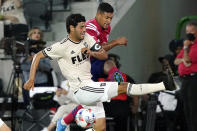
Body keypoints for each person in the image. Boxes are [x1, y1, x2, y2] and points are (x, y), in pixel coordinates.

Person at [23, 13, 165, 131]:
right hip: (80, 89)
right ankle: (164, 85)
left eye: (85, 26)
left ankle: (63, 122)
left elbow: (103, 55)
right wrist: (31, 79)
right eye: (81, 27)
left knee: (100, 127)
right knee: (124, 86)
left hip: (90, 85)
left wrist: (92, 51)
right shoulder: (61, 46)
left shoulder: (87, 38)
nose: (85, 29)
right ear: (71, 28)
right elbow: (37, 56)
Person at [86, 2, 128, 82]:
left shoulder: (106, 28)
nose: (109, 21)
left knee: (110, 64)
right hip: (85, 64)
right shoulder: (90, 27)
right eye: (106, 18)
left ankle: (120, 85)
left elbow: (103, 48)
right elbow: (97, 49)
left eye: (111, 18)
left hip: (96, 59)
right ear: (98, 14)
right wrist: (116, 42)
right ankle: (119, 86)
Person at [174, 22, 197, 131]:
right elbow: (176, 61)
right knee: (186, 108)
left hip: (194, 79)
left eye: (191, 32)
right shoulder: (187, 45)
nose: (188, 35)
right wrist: (183, 59)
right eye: (187, 32)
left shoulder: (193, 46)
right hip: (185, 79)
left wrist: (186, 48)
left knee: (193, 109)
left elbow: (188, 59)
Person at [21, 27, 52, 105]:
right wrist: (37, 65)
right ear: (30, 35)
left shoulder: (45, 50)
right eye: (34, 33)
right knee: (28, 106)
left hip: (42, 83)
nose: (37, 34)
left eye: (38, 33)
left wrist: (35, 60)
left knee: (43, 106)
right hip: (28, 83)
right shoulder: (24, 50)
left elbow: (48, 68)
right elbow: (23, 67)